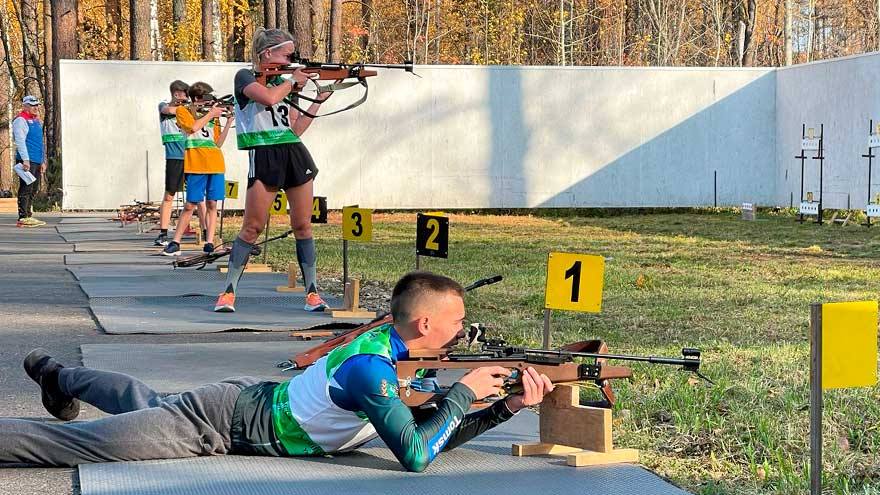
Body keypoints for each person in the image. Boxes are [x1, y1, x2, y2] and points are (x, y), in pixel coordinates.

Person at [1, 272, 554, 472]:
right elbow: (413, 456)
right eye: (459, 321)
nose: (465, 330)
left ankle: (57, 375)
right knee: (78, 443)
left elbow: (432, 437)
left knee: (145, 399)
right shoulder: (371, 369)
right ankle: (51, 387)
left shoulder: (400, 359)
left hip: (238, 405)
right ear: (427, 323)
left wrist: (505, 407)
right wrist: (462, 394)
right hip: (214, 424)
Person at [214, 28, 328, 313]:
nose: (291, 60)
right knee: (252, 227)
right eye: (287, 55)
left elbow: (295, 129)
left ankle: (312, 294)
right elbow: (266, 98)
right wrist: (292, 80)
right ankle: (228, 293)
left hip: (293, 153)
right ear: (267, 54)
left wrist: (317, 101)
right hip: (263, 155)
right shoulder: (246, 77)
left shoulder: (283, 83)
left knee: (302, 225)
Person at [162, 82, 234, 256]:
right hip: (196, 164)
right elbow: (192, 127)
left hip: (215, 164)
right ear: (196, 99)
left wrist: (228, 122)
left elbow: (217, 143)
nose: (209, 103)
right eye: (205, 99)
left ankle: (209, 241)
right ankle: (176, 241)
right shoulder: (183, 111)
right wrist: (211, 114)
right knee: (190, 204)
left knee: (212, 203)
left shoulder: (211, 116)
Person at [153, 81, 208, 247]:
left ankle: (206, 230)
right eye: (183, 94)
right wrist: (187, 108)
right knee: (169, 195)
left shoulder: (189, 109)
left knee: (199, 196)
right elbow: (167, 110)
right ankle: (163, 233)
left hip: (192, 155)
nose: (185, 97)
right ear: (176, 94)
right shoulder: (165, 105)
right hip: (174, 157)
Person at [12, 95, 46, 227]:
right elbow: (20, 141)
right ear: (25, 106)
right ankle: (23, 216)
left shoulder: (36, 121)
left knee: (34, 188)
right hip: (26, 160)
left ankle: (28, 214)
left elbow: (40, 143)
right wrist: (25, 160)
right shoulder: (20, 120)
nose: (36, 107)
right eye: (32, 105)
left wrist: (42, 161)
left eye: (37, 105)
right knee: (26, 187)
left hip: (36, 160)